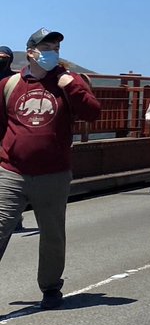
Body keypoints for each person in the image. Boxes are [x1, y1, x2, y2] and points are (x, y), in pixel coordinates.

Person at [0, 28, 101, 309]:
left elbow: (92, 113)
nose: (52, 52)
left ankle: (50, 287)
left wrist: (70, 84)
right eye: (46, 47)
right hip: (11, 170)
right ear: (31, 52)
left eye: (55, 47)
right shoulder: (9, 85)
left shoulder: (69, 82)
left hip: (54, 173)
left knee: (52, 233)